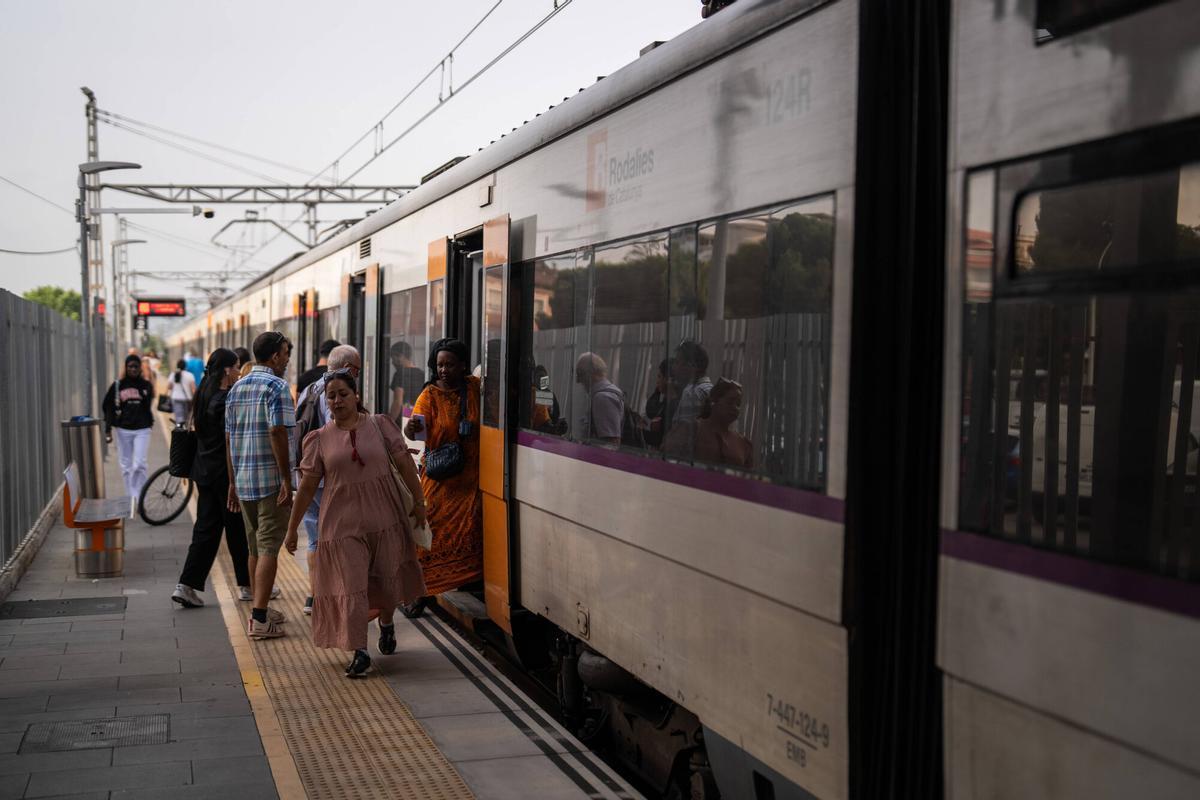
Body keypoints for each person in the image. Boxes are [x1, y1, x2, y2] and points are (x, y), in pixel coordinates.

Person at [285, 371, 426, 678]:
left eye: (343, 394)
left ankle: (386, 624)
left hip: (384, 518)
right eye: (331, 396)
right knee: (351, 586)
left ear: (357, 396)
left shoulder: (379, 425)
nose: (336, 400)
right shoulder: (319, 439)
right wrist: (292, 529)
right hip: (341, 524)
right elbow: (307, 487)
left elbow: (404, 464)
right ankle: (360, 650)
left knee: (385, 578)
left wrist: (419, 502)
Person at [402, 338, 482, 616]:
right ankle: (421, 590)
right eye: (439, 365)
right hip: (440, 480)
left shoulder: (475, 388)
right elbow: (417, 435)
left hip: (470, 482)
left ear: (462, 365)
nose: (443, 370)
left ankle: (467, 581)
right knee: (428, 536)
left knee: (469, 534)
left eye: (449, 364)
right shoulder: (429, 395)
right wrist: (411, 429)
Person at [225, 331, 295, 639]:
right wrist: (286, 478)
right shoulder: (277, 387)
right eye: (285, 354)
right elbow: (278, 431)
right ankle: (258, 619)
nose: (287, 359)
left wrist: (232, 481)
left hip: (243, 480)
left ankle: (261, 609)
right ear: (276, 356)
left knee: (254, 546)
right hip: (270, 481)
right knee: (269, 547)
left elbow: (229, 438)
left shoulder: (236, 388)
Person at [172, 348, 253, 608]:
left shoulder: (203, 394)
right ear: (227, 369)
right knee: (237, 530)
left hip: (203, 470)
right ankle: (247, 585)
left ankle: (185, 585)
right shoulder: (226, 398)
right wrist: (233, 482)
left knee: (206, 530)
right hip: (225, 475)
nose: (239, 371)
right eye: (237, 366)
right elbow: (231, 442)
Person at [293, 345, 362, 615]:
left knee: (314, 540)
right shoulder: (337, 394)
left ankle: (314, 597)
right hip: (331, 478)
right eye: (355, 370)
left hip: (307, 475)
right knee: (339, 539)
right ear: (347, 369)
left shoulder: (307, 391)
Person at [663, 378, 753, 468]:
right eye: (730, 402)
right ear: (714, 401)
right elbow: (665, 462)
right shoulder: (690, 429)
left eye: (738, 404)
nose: (735, 408)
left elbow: (748, 479)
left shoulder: (744, 444)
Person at [102, 354, 156, 498]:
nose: (133, 369)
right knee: (126, 466)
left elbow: (148, 404)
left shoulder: (146, 385)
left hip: (142, 429)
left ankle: (140, 497)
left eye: (136, 366)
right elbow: (108, 407)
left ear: (140, 368)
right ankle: (131, 497)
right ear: (126, 368)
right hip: (123, 429)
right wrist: (107, 430)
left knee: (140, 464)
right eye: (130, 366)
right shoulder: (118, 386)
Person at [574, 352, 624, 445]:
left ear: (594, 373)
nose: (578, 380)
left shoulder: (603, 398)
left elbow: (611, 444)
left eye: (580, 373)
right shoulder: (599, 396)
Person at [671, 340, 714, 425]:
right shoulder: (710, 389)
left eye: (677, 362)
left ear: (692, 366)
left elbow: (685, 433)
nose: (673, 368)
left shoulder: (692, 393)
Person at [387, 340, 426, 422]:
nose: (392, 362)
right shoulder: (422, 374)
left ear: (400, 356)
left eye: (393, 358)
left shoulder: (399, 374)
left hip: (403, 421)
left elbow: (398, 402)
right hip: (419, 419)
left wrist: (388, 424)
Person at [644, 359, 678, 448]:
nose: (657, 381)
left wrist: (638, 433)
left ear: (668, 379)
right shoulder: (665, 402)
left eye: (659, 376)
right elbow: (650, 411)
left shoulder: (674, 407)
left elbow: (660, 438)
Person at [168, 359, 197, 427]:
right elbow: (193, 389)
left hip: (176, 398)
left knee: (179, 418)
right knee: (187, 418)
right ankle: (186, 432)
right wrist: (195, 399)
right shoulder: (190, 375)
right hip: (187, 399)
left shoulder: (173, 374)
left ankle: (179, 431)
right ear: (185, 366)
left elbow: (169, 387)